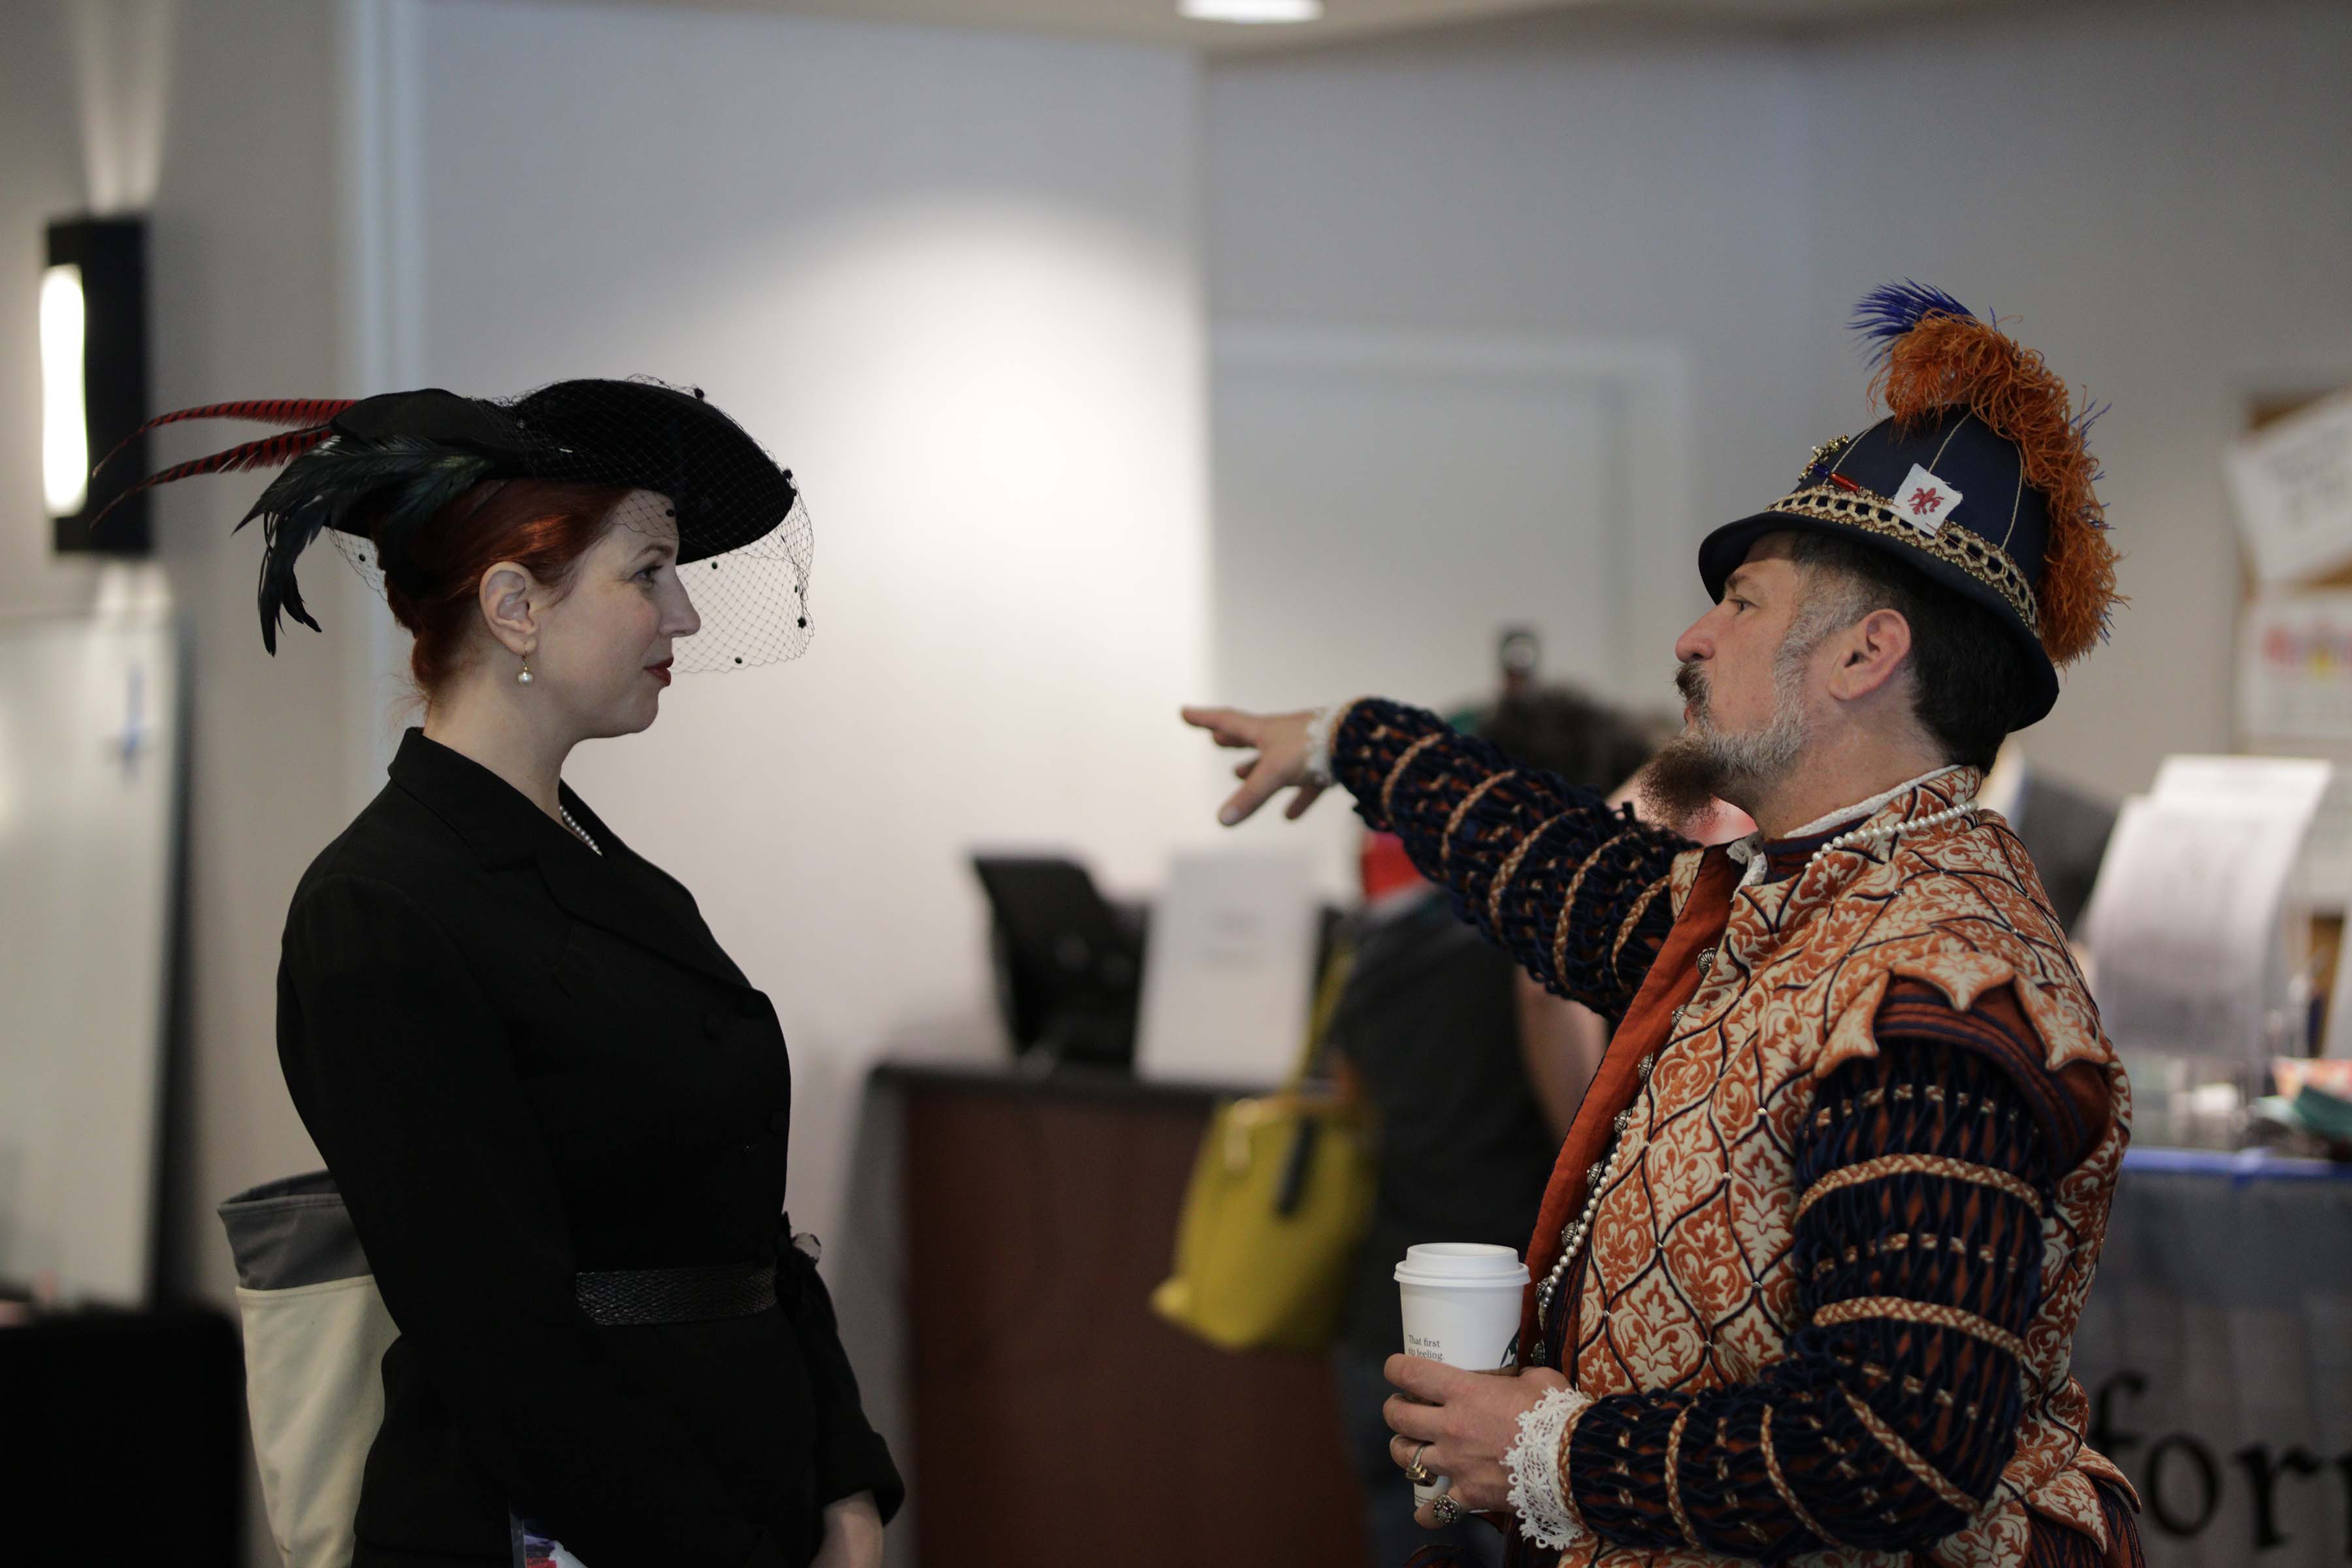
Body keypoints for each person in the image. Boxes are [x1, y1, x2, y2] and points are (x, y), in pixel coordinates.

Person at [1185, 284, 2142, 1568]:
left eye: (1743, 602)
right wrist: (1354, 739)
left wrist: (1551, 1452)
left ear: (1865, 656)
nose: (1693, 638)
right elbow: (1564, 873)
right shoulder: (1795, 905)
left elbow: (1900, 1440)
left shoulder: (1940, 982)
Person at [110, 383, 898, 1567]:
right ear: (516, 605)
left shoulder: (613, 877)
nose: (681, 614)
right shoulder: (380, 911)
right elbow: (501, 1342)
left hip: (739, 1491)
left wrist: (841, 1479)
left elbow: (746, 1234)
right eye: (648, 572)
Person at [1326, 687, 1659, 1568]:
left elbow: (1352, 1092)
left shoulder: (1383, 942)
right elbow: (1605, 1152)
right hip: (1499, 1357)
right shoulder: (1556, 959)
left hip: (1382, 1328)